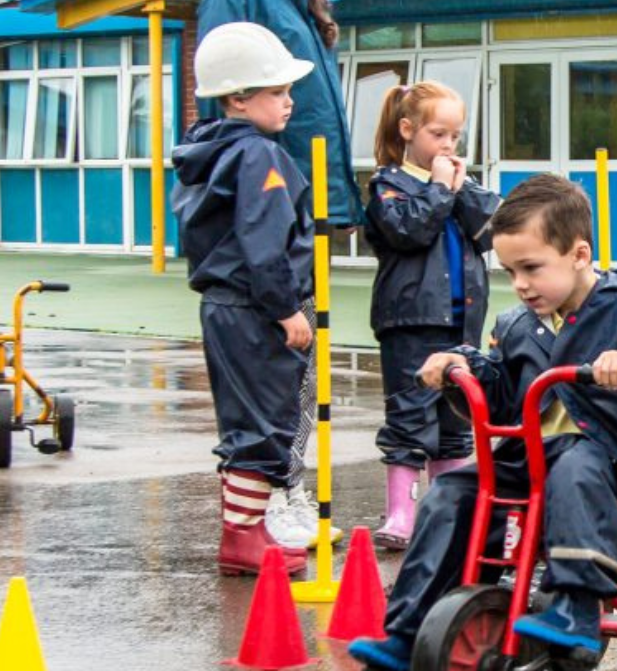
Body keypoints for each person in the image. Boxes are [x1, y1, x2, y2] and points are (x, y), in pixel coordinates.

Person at [347, 176, 617, 671]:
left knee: (576, 464)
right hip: (530, 466)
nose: (520, 284)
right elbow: (499, 396)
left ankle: (577, 606)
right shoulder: (517, 325)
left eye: (532, 268)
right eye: (511, 270)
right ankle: (410, 632)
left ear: (579, 255)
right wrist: (461, 367)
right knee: (452, 491)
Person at [172, 22, 327, 576]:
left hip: (223, 306)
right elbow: (265, 244)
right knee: (267, 420)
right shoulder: (259, 156)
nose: (289, 102)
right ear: (239, 97)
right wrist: (285, 309)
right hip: (256, 308)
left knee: (244, 420)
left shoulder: (207, 150)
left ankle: (247, 529)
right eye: (277, 91)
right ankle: (243, 538)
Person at [361, 81, 499, 551]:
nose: (448, 146)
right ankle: (402, 511)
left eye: (455, 137)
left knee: (456, 420)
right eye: (438, 134)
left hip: (461, 324)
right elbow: (410, 231)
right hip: (411, 322)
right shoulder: (388, 185)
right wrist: (440, 187)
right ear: (408, 130)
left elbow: (490, 230)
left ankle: (449, 509)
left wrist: (459, 188)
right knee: (409, 415)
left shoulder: (460, 187)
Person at [197, 0, 362, 230]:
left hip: (310, 194)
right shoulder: (234, 4)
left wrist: (339, 199)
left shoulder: (305, 8)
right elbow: (220, 91)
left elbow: (319, 110)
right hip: (267, 194)